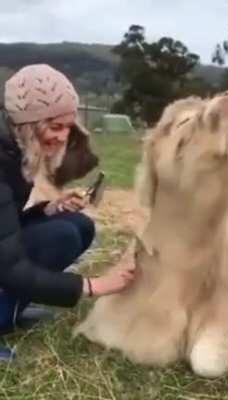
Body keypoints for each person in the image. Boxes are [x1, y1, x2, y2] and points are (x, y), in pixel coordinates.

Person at [0, 64, 136, 361]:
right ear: (27, 123)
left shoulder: (13, 148)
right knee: (61, 235)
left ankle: (12, 306)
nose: (64, 136)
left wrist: (49, 208)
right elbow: (8, 266)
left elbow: (6, 230)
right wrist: (95, 285)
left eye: (68, 127)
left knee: (76, 225)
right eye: (55, 127)